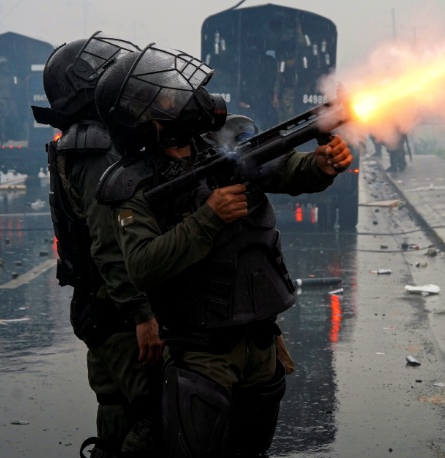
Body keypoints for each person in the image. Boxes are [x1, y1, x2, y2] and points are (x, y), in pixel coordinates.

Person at [93, 45, 353, 458]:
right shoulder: (134, 184)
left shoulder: (224, 143)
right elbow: (142, 265)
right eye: (166, 96)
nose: (182, 97)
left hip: (261, 339)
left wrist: (320, 165)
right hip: (202, 351)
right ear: (146, 119)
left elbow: (285, 168)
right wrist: (209, 218)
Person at [31, 33, 164, 458]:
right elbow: (111, 242)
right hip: (116, 311)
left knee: (116, 412)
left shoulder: (81, 141)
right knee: (156, 416)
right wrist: (142, 314)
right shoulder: (97, 147)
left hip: (99, 306)